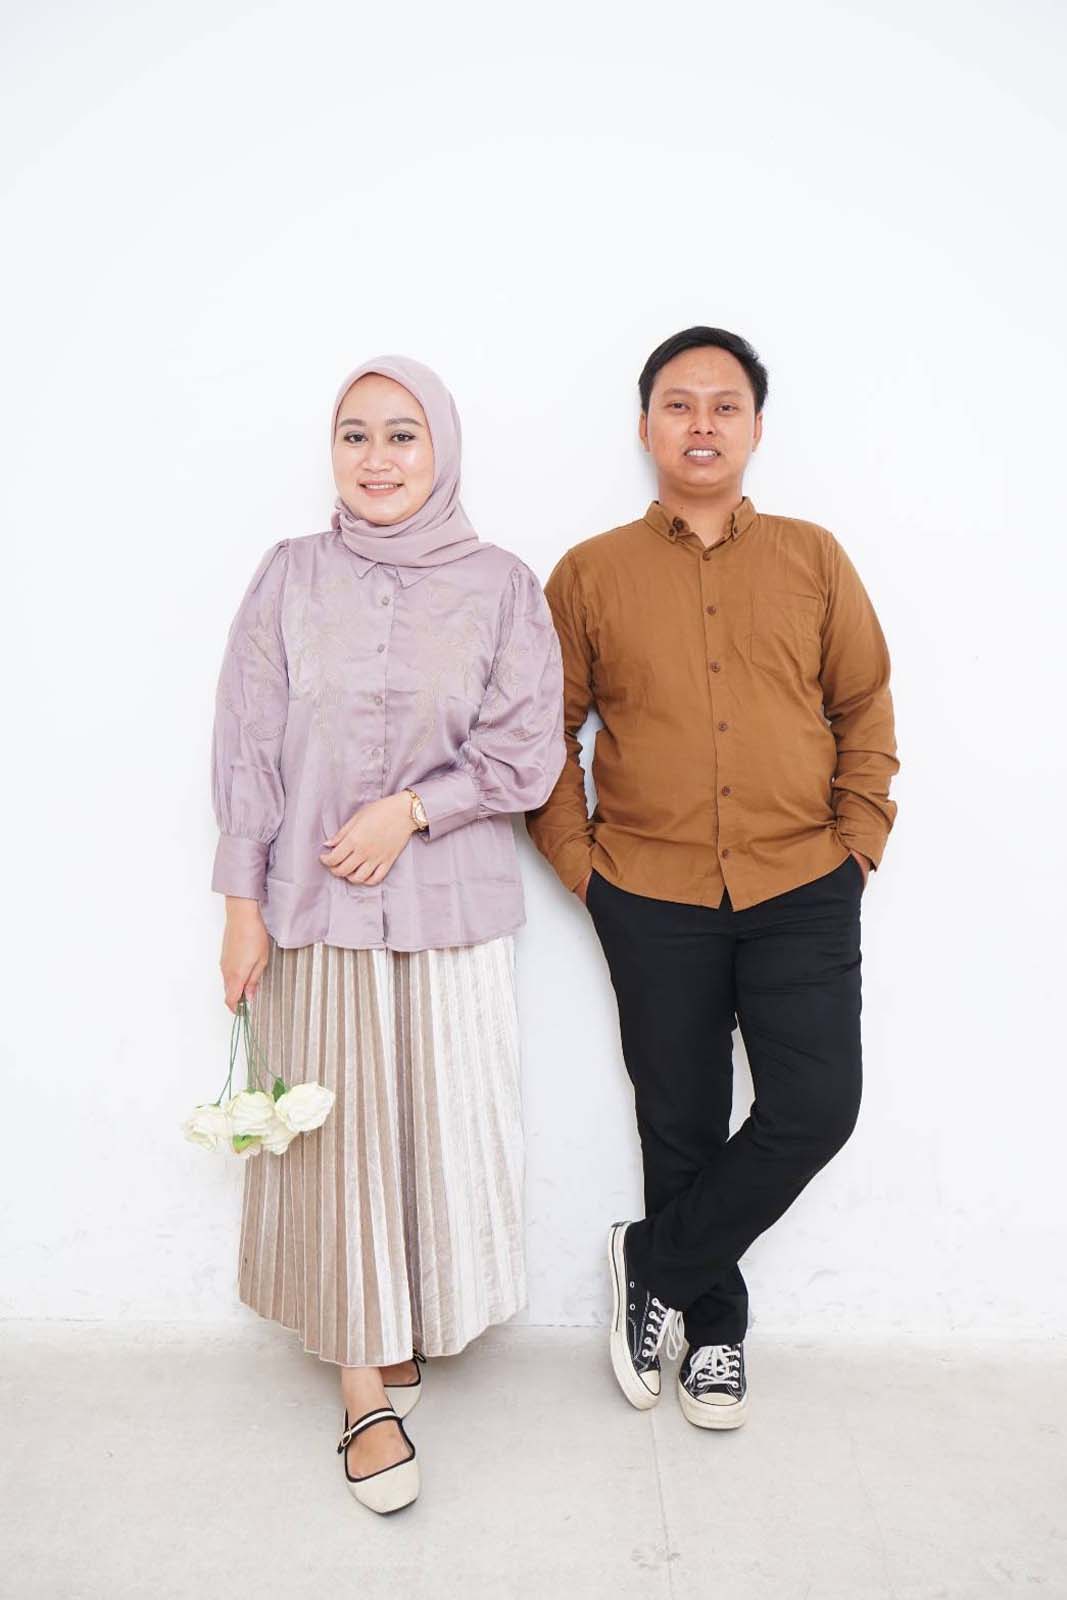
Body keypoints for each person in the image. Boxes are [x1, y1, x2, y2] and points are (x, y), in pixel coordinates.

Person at [527, 326, 898, 1430]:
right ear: (645, 425)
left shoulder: (812, 557)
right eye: (678, 404)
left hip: (802, 880)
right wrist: (582, 869)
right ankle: (714, 1338)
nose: (701, 424)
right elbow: (542, 733)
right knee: (679, 1120)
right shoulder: (588, 572)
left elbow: (863, 706)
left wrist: (857, 842)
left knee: (815, 1108)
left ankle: (649, 1261)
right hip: (647, 888)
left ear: (754, 428)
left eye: (723, 405)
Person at [210, 355, 565, 1511]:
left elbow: (526, 753)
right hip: (314, 910)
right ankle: (361, 1385)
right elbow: (247, 747)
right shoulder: (288, 577)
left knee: (433, 1133)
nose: (375, 458)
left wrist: (410, 809)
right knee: (332, 1144)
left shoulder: (502, 586)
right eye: (353, 434)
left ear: (441, 448)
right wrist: (241, 907)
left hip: (449, 909)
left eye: (401, 434)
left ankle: (398, 1323)